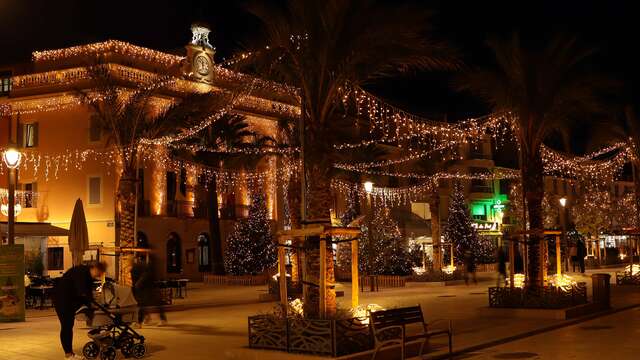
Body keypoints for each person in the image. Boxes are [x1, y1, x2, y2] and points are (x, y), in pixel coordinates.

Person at [52, 262, 107, 360]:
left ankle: (70, 353)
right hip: (62, 299)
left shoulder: (89, 277)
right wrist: (88, 303)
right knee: (67, 325)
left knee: (69, 325)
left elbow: (87, 293)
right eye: (99, 273)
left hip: (70, 300)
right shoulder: (81, 272)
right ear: (94, 268)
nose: (98, 276)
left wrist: (92, 304)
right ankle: (68, 355)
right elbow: (82, 290)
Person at [132, 256, 167, 327]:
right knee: (151, 304)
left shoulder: (143, 265)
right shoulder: (142, 265)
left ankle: (140, 322)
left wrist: (138, 283)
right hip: (148, 287)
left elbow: (145, 275)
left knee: (144, 304)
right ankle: (149, 319)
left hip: (148, 288)